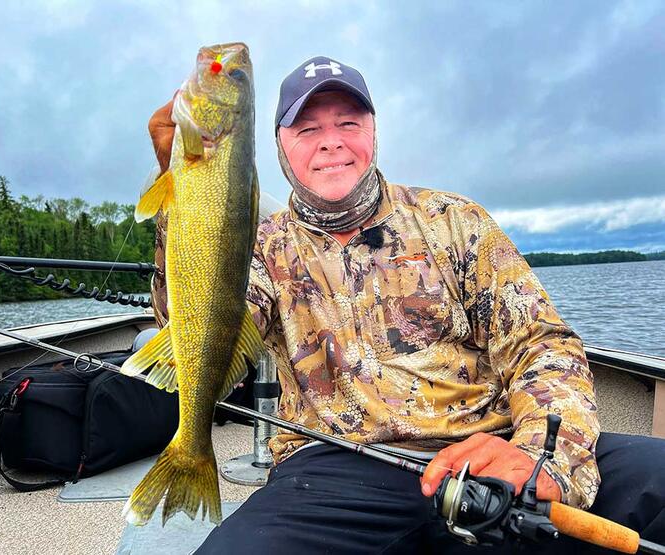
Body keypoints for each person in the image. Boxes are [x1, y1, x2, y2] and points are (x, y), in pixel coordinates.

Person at [146, 56, 665, 554]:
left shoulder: (455, 220)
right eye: (307, 130)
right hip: (335, 467)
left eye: (348, 122)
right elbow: (194, 330)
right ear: (281, 145)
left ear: (373, 131)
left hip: (487, 449)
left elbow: (542, 345)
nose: (331, 142)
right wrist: (180, 194)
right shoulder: (260, 245)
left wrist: (543, 458)